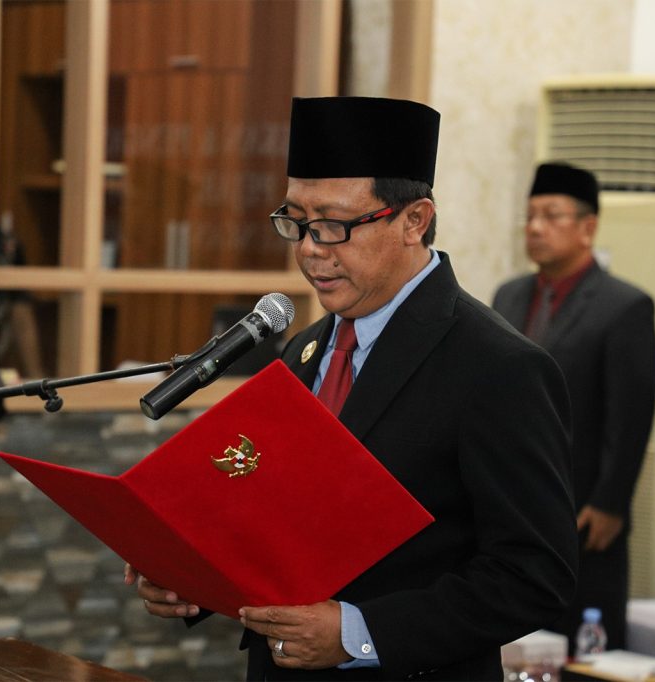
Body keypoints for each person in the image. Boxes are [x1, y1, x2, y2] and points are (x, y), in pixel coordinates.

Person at [124, 96, 578, 680]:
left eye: (335, 225)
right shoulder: (305, 350)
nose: (310, 248)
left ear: (414, 221)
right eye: (296, 222)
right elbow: (281, 524)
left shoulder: (497, 366)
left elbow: (536, 575)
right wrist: (193, 578)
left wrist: (359, 634)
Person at [492, 162, 655, 653]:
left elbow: (630, 415)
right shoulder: (509, 295)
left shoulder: (624, 306)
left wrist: (611, 502)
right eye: (530, 216)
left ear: (588, 227)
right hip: (512, 500)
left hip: (583, 508)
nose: (535, 227)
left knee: (584, 644)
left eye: (551, 215)